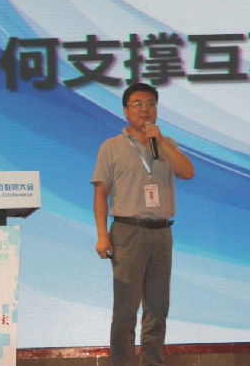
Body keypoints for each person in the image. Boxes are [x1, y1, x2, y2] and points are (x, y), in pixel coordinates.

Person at [92, 82, 195, 366]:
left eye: (150, 103)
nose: (144, 109)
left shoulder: (166, 144)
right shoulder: (111, 147)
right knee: (126, 310)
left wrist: (160, 141)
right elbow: (100, 192)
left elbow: (187, 172)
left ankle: (153, 362)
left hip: (161, 232)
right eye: (137, 104)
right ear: (126, 111)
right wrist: (102, 235)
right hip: (127, 231)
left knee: (158, 308)